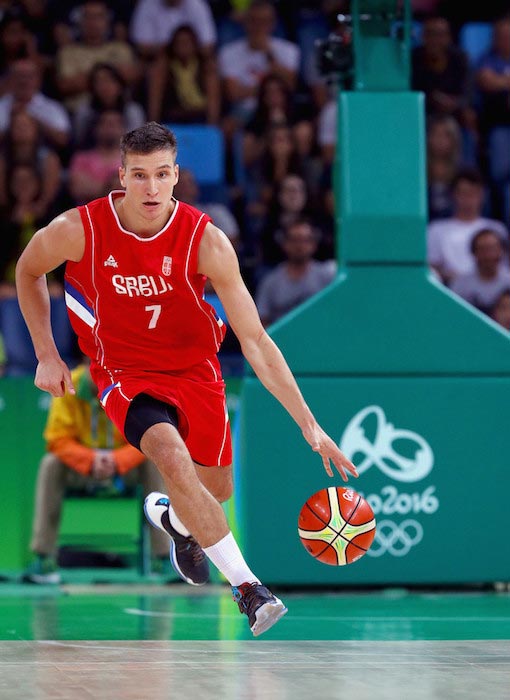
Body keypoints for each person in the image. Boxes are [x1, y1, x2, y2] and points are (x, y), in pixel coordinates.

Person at [15, 121, 357, 636]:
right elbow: (27, 270)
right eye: (139, 176)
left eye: (161, 175)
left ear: (177, 175)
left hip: (196, 371)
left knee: (211, 490)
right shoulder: (79, 228)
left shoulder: (207, 241)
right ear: (122, 177)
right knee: (172, 458)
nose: (151, 189)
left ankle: (175, 521)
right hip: (124, 372)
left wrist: (309, 425)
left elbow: (257, 343)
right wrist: (46, 352)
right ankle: (249, 589)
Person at [22, 361, 170, 584]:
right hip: (82, 469)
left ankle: (164, 557)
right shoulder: (67, 385)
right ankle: (44, 557)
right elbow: (57, 439)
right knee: (50, 464)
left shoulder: (130, 385)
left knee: (153, 462)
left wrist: (117, 460)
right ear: (87, 363)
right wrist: (91, 460)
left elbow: (149, 437)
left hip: (124, 470)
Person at [427, 167, 509, 285]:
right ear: (453, 195)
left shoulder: (497, 229)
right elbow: (431, 268)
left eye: (473, 193)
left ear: (482, 195)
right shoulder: (436, 229)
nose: (468, 199)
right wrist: (459, 279)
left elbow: (503, 268)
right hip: (450, 289)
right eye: (463, 193)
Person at [255, 218, 337, 326]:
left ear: (314, 244)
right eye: (294, 239)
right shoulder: (271, 282)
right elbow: (262, 321)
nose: (299, 245)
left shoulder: (328, 275)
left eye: (305, 240)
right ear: (285, 244)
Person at [450, 227, 510, 315]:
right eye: (483, 249)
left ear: (502, 251)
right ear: (474, 253)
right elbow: (453, 313)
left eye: (492, 249)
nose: (488, 255)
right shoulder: (460, 284)